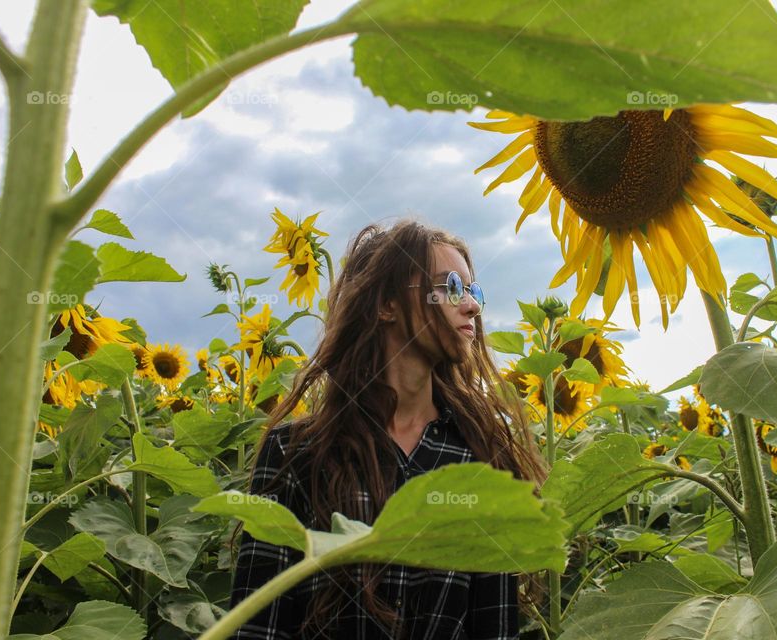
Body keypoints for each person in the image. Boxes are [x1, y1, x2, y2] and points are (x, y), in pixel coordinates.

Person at [228, 218, 547, 639]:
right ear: (386, 304)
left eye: (473, 291)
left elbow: (496, 628)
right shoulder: (297, 450)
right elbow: (258, 627)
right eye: (451, 286)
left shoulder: (482, 459)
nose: (470, 305)